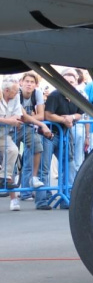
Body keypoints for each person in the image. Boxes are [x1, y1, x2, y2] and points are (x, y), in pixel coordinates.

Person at [43, 71, 84, 207]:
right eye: (65, 81)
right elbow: (48, 115)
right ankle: (42, 200)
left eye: (71, 82)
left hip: (66, 134)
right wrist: (63, 119)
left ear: (75, 83)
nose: (68, 84)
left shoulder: (77, 96)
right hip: (50, 134)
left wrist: (71, 118)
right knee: (45, 167)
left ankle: (67, 198)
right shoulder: (54, 95)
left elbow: (80, 114)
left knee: (69, 164)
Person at [18, 72, 53, 208]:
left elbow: (41, 115)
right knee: (12, 153)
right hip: (12, 127)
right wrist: (33, 118)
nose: (29, 84)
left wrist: (30, 117)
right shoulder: (17, 93)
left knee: (36, 149)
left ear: (36, 84)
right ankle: (21, 191)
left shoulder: (37, 93)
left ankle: (32, 181)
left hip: (28, 129)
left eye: (32, 82)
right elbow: (23, 116)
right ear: (21, 82)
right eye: (27, 81)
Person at [0, 77, 23, 210]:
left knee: (13, 150)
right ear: (6, 90)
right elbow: (12, 120)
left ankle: (4, 177)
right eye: (15, 90)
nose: (17, 92)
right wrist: (9, 121)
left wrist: (4, 120)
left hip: (3, 135)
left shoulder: (16, 97)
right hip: (5, 131)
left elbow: (18, 116)